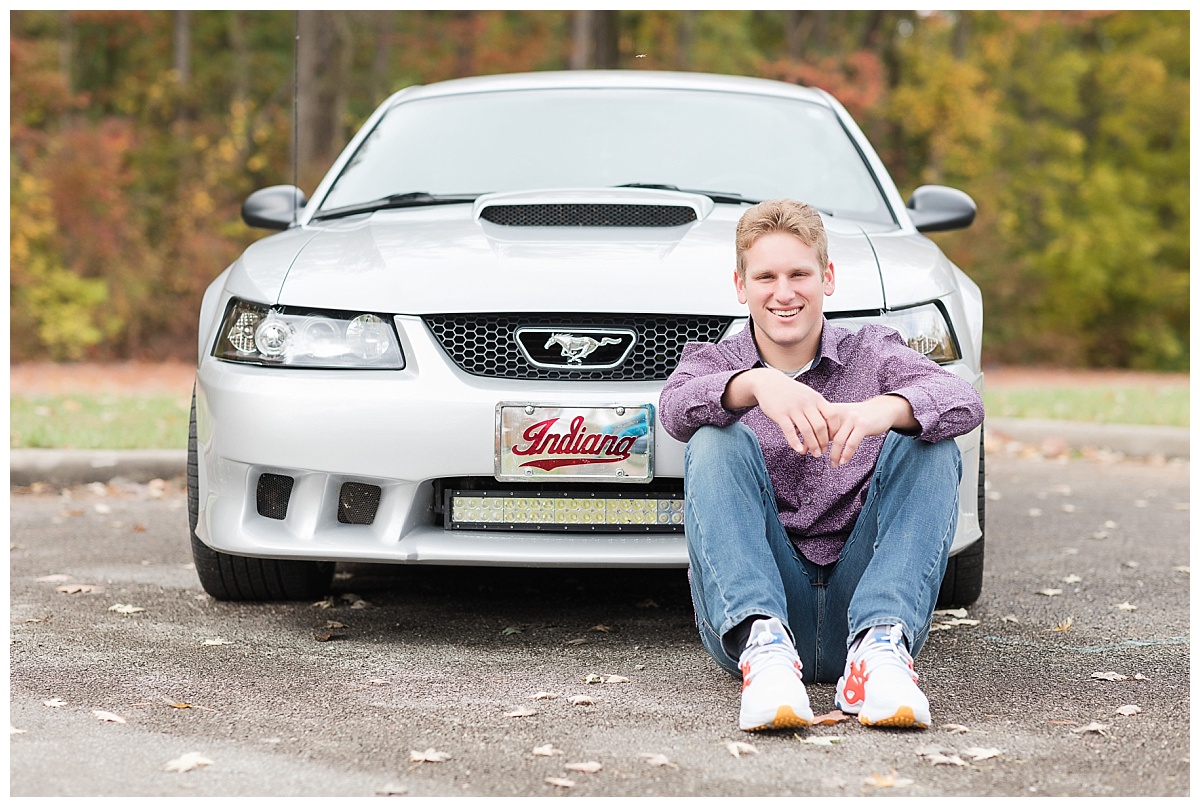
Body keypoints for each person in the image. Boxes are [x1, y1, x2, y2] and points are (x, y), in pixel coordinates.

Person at [658, 199, 984, 732]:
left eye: (799, 274)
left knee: (930, 437)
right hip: (762, 614)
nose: (783, 293)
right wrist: (756, 385)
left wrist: (888, 408)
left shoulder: (872, 351)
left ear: (827, 278)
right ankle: (765, 659)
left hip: (868, 605)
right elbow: (673, 410)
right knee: (711, 440)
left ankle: (877, 657)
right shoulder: (717, 361)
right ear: (741, 287)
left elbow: (963, 400)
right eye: (765, 276)